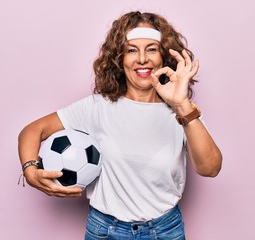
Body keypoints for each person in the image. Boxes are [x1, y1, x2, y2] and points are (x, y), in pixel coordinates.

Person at [18, 11, 222, 240]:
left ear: (164, 56)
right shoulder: (97, 107)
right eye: (132, 50)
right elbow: (32, 130)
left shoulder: (185, 112)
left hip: (165, 231)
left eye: (152, 49)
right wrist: (31, 170)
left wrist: (182, 105)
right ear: (119, 58)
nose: (142, 59)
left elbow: (210, 168)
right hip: (105, 231)